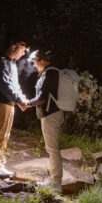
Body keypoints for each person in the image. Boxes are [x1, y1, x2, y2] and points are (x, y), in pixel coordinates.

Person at [0, 38, 30, 178]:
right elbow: (4, 84)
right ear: (13, 46)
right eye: (22, 49)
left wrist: (22, 99)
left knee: (5, 135)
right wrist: (18, 99)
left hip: (10, 104)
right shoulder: (1, 62)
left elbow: (15, 86)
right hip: (0, 103)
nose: (23, 53)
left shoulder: (12, 64)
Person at [29, 49, 65, 192]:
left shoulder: (50, 73)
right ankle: (54, 180)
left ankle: (56, 184)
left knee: (52, 149)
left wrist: (28, 103)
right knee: (51, 148)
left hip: (51, 115)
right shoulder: (49, 72)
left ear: (42, 60)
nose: (33, 65)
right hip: (52, 114)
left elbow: (42, 97)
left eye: (34, 61)